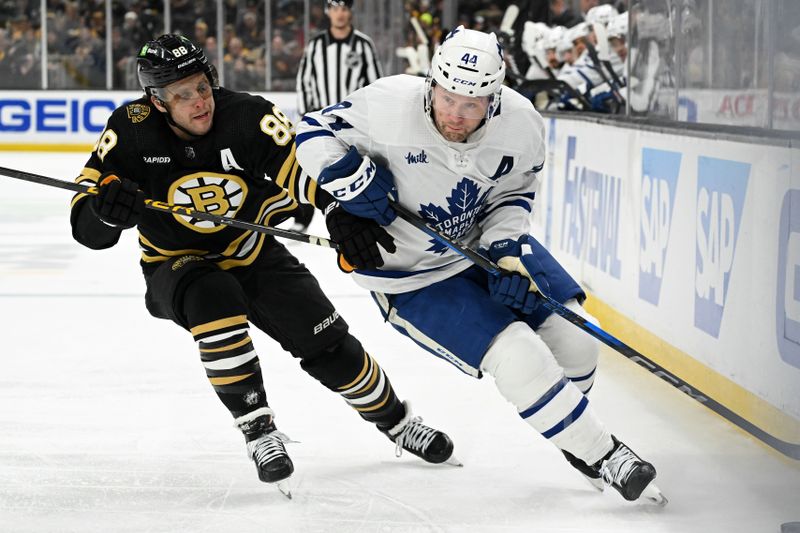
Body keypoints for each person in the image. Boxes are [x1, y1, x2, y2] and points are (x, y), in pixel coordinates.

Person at [69, 34, 456, 494]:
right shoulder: (129, 130)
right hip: (176, 263)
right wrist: (104, 212)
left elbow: (303, 167)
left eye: (202, 87)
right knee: (215, 299)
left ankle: (398, 422)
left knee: (329, 344)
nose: (199, 103)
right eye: (182, 95)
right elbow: (86, 226)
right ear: (156, 101)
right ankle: (259, 431)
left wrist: (337, 210)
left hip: (252, 251)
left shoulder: (248, 116)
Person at [295, 26, 666, 504]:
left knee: (578, 341)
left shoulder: (520, 123)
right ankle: (605, 455)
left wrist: (506, 251)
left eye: (470, 105)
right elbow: (310, 130)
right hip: (411, 274)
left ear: (494, 99)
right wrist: (341, 187)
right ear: (431, 83)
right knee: (517, 354)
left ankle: (575, 440)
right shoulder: (388, 104)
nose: (454, 113)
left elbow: (513, 194)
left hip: (477, 244)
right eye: (447, 97)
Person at [293, 0, 383, 232]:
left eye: (344, 8)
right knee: (309, 166)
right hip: (321, 119)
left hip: (353, 122)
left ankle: (366, 216)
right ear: (327, 12)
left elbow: (374, 83)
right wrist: (305, 114)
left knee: (358, 168)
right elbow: (305, 80)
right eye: (335, 8)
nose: (340, 14)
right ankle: (302, 217)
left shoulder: (363, 44)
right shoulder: (316, 45)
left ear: (350, 11)